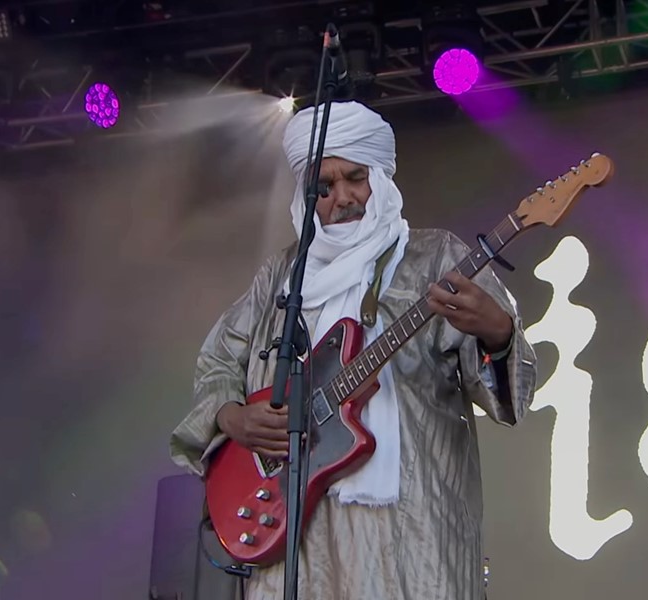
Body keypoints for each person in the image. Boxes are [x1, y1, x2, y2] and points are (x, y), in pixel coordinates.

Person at [169, 100, 538, 600]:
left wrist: (498, 332)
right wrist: (232, 417)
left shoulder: (436, 258)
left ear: (379, 178)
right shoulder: (281, 278)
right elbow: (218, 360)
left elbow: (509, 393)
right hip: (295, 536)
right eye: (323, 186)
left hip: (411, 533)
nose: (342, 197)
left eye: (355, 178)